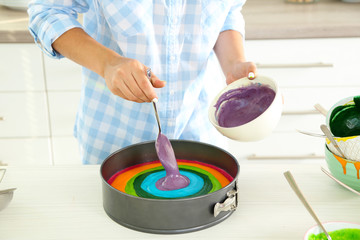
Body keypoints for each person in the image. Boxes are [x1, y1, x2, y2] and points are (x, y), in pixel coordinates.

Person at [28, 0, 257, 164]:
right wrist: (108, 63)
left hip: (201, 131)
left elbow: (227, 11)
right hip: (115, 138)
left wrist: (234, 63)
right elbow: (48, 13)